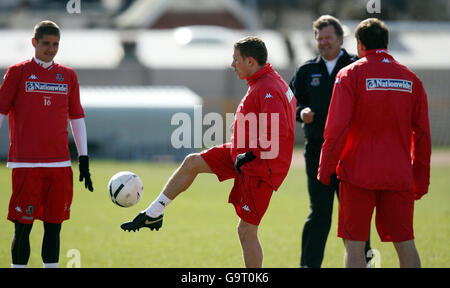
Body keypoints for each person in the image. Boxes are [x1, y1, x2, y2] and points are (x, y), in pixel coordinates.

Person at [121, 36, 297, 268]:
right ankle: (154, 212)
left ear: (251, 62)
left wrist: (251, 154)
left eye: (236, 60)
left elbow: (279, 130)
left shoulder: (268, 87)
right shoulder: (266, 81)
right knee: (192, 162)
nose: (232, 64)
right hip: (242, 154)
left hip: (260, 166)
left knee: (246, 231)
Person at [317, 18, 431, 268]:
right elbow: (422, 136)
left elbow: (336, 130)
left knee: (355, 244)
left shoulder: (349, 75)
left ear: (359, 45)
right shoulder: (411, 79)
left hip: (357, 175)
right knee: (406, 243)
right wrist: (420, 181)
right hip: (398, 176)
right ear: (386, 44)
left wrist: (325, 169)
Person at [0, 20, 94, 268]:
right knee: (23, 229)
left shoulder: (68, 76)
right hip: (26, 164)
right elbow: (0, 111)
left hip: (60, 166)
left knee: (54, 228)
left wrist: (83, 158)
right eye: (46, 44)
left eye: (55, 44)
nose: (51, 49)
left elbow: (77, 117)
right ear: (34, 43)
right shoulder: (17, 72)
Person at [289, 15, 371, 268]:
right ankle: (308, 265)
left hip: (352, 153)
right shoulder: (306, 70)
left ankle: (365, 263)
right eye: (319, 38)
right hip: (317, 152)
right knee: (320, 214)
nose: (323, 42)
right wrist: (301, 113)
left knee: (354, 215)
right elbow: (290, 103)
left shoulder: (357, 66)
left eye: (328, 37)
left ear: (340, 38)